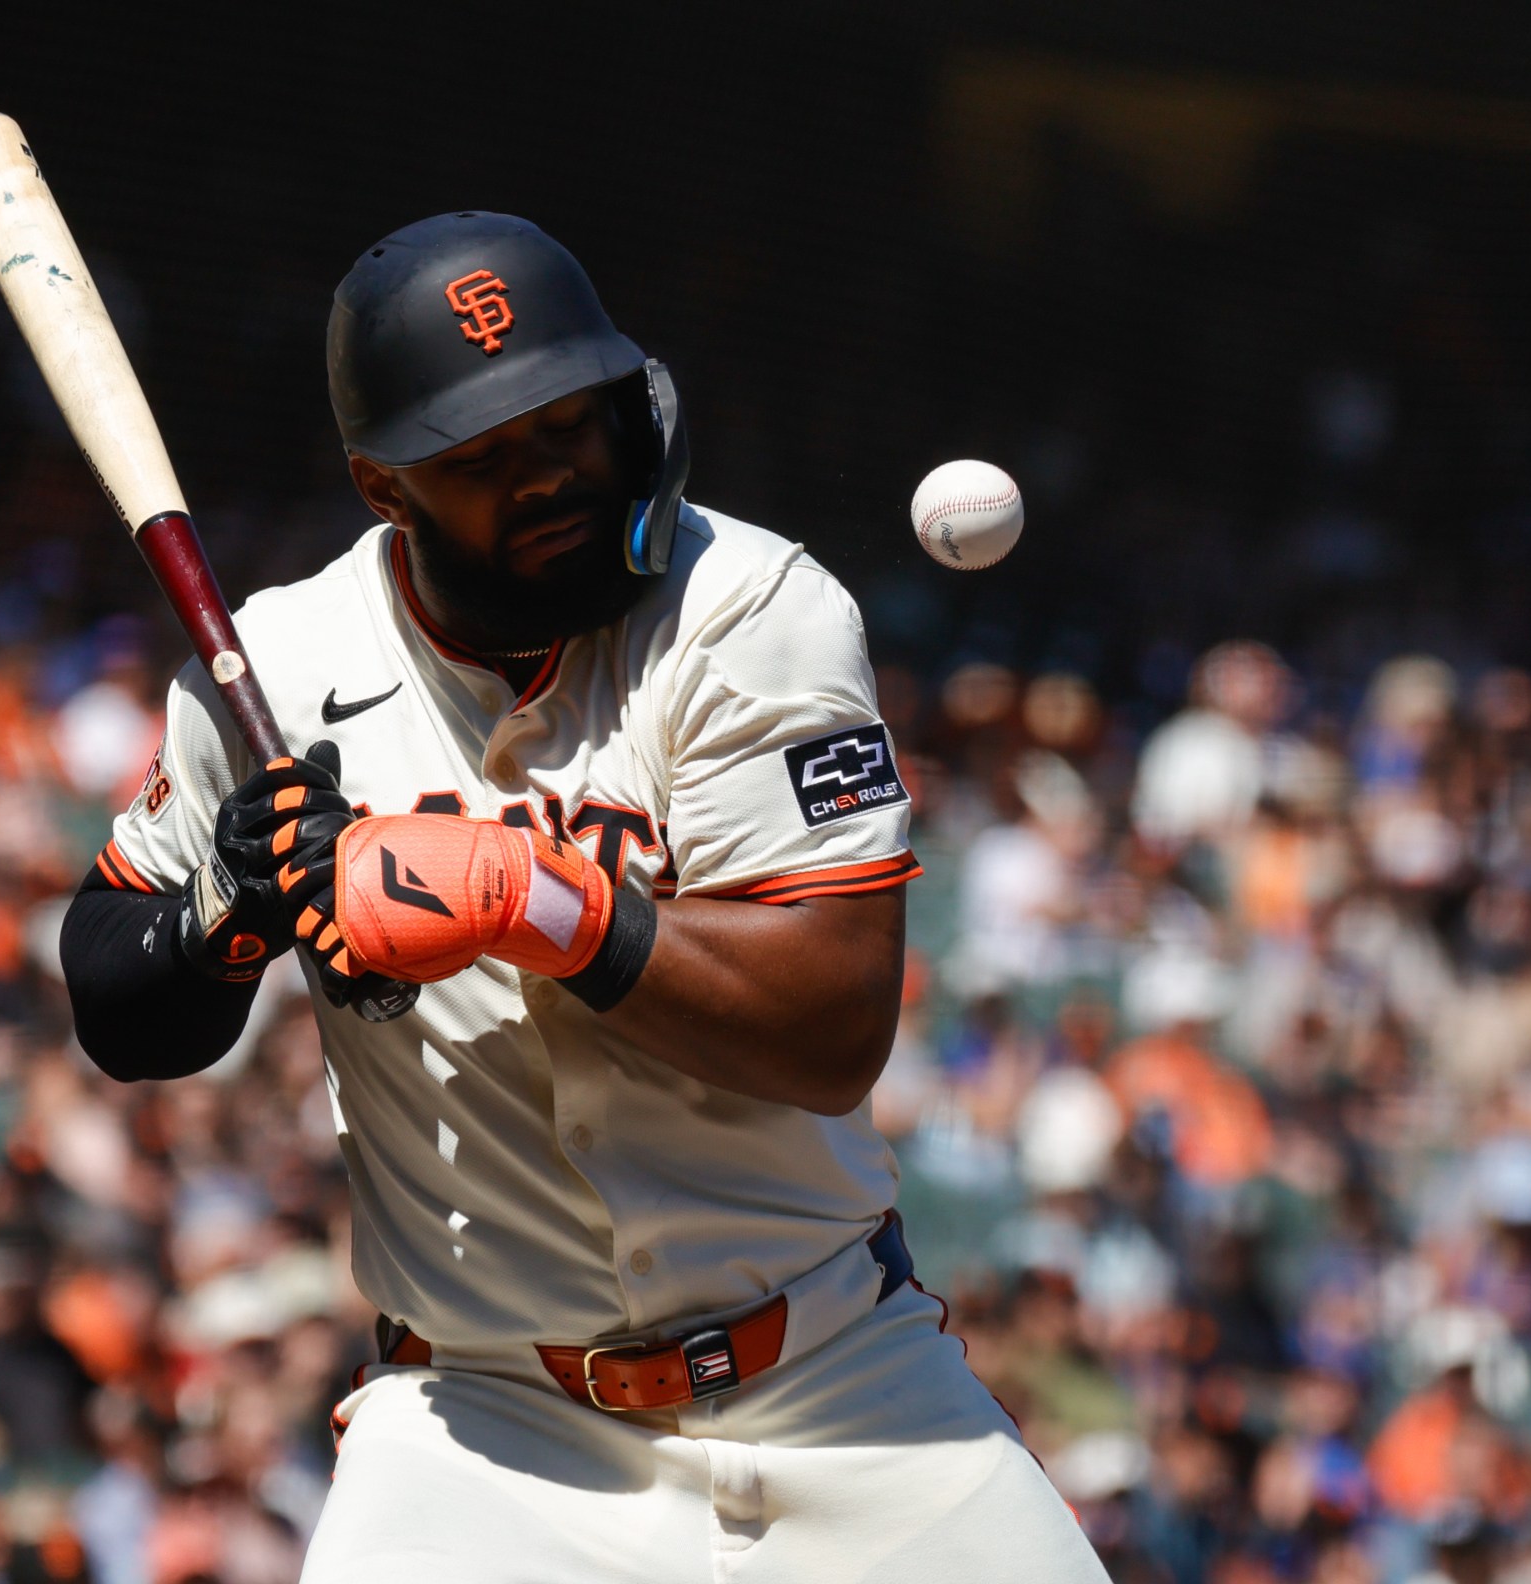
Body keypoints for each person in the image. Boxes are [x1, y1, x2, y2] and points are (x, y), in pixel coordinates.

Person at [58, 212, 1105, 1581]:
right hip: (484, 1433)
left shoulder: (750, 606)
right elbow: (115, 994)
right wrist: (232, 916)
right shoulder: (277, 667)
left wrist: (527, 897)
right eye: (483, 458)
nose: (549, 475)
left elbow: (832, 1026)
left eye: (570, 424)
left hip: (846, 1396)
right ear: (387, 489)